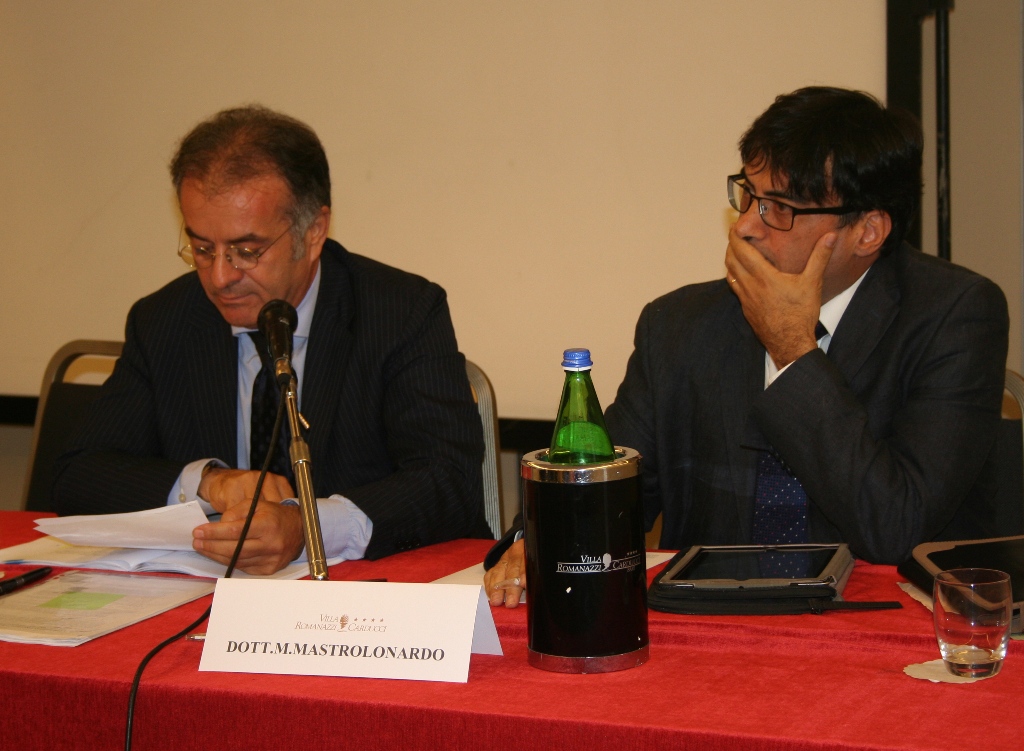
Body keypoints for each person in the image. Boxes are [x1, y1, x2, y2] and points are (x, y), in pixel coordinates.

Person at [485, 86, 1010, 607]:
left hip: (880, 626)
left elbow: (895, 526)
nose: (746, 226)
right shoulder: (679, 324)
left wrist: (794, 351)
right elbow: (612, 489)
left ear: (867, 231)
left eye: (779, 208)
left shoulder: (955, 316)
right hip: (707, 620)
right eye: (749, 195)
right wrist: (544, 536)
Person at [53, 105, 491, 574]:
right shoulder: (165, 320)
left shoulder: (400, 312)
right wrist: (207, 483)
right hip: (207, 592)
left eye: (246, 251)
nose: (220, 277)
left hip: (361, 594)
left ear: (313, 232)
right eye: (202, 248)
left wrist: (307, 526)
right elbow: (78, 474)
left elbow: (449, 481)